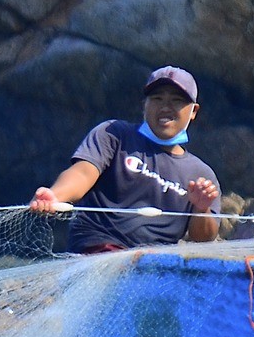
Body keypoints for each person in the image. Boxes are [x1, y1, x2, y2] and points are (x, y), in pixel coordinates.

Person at [28, 66, 223, 252]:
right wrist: (55, 195)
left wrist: (201, 207)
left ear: (194, 111)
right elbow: (83, 173)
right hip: (96, 249)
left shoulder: (202, 174)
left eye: (176, 101)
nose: (165, 107)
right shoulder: (114, 134)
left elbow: (203, 237)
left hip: (154, 265)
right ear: (144, 106)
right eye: (157, 99)